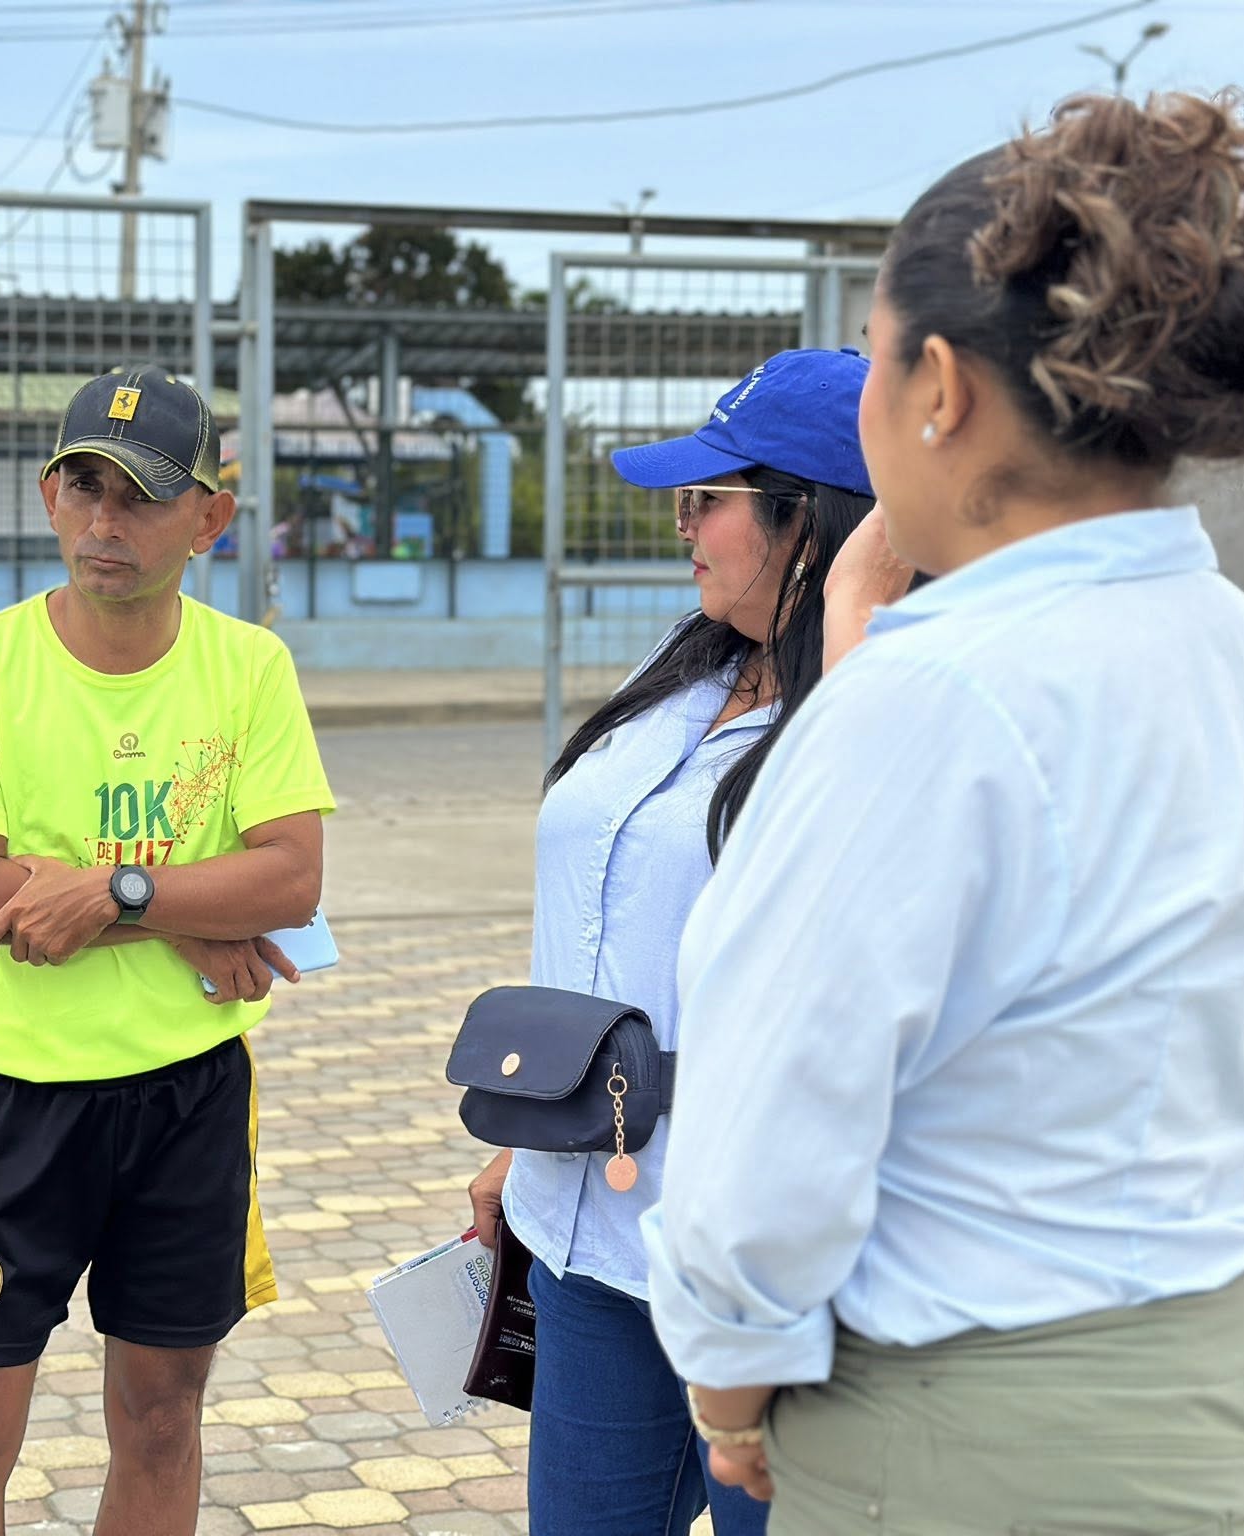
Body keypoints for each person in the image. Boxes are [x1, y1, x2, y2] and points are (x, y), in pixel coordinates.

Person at [646, 89, 1244, 1534]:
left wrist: (730, 1393)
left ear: (936, 386)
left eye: (875, 358)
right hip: (1220, 1379)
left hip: (968, 1426)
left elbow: (761, 1149)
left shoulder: (928, 701)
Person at [0, 366, 334, 1536]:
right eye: (83, 487)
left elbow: (290, 879)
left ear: (209, 518)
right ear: (48, 497)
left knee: (160, 1422)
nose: (104, 522)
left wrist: (104, 890)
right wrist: (183, 911)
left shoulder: (248, 668)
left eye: (140, 496)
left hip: (189, 1098)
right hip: (11, 1106)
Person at [465, 349, 877, 1535]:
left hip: (767, 1264)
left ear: (811, 522)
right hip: (583, 1231)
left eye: (708, 499)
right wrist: (533, 1132)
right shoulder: (684, 661)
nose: (681, 525)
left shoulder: (877, 714)